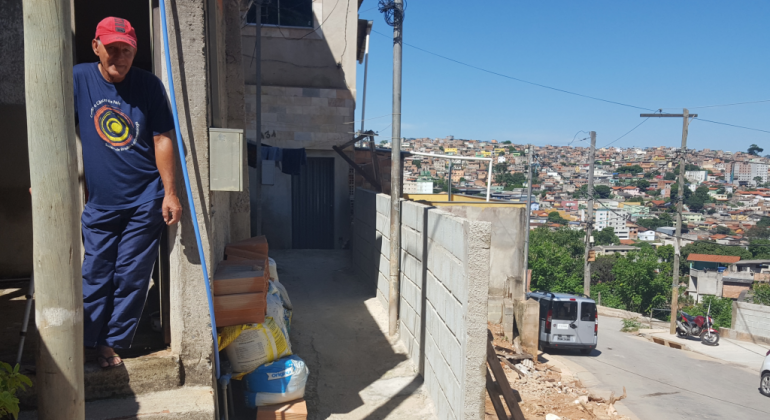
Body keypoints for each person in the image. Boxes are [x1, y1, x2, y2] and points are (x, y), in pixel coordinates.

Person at [73, 17, 181, 368]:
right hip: (100, 203)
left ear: (135, 52)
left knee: (132, 277)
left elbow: (163, 137)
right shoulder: (79, 79)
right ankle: (85, 340)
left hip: (144, 200)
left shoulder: (149, 86)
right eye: (112, 48)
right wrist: (42, 177)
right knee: (95, 273)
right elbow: (54, 124)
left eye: (127, 51)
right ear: (96, 47)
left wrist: (170, 192)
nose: (119, 57)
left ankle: (109, 345)